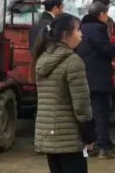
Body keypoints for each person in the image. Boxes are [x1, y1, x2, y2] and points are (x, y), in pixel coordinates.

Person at [33, 13, 95, 173]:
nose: (81, 34)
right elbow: (81, 104)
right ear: (66, 35)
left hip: (48, 134)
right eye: (78, 30)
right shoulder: (73, 61)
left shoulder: (42, 58)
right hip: (69, 136)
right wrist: (89, 135)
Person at [76, 2, 115, 159]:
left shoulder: (81, 27)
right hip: (98, 78)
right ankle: (103, 147)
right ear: (102, 14)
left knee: (90, 114)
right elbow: (105, 49)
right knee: (101, 113)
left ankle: (94, 143)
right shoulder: (97, 28)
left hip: (85, 77)